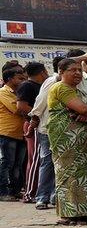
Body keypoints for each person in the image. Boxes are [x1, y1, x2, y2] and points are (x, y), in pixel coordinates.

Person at [46, 58, 87, 224]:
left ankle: (85, 212)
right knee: (69, 175)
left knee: (85, 173)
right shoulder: (62, 88)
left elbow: (86, 110)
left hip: (83, 143)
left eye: (79, 70)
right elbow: (84, 109)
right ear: (61, 72)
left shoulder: (78, 91)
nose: (77, 73)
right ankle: (69, 214)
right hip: (67, 142)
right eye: (73, 70)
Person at [28, 56, 63, 210]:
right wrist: (33, 123)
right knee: (48, 163)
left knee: (60, 163)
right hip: (47, 129)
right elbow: (40, 103)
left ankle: (54, 196)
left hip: (63, 130)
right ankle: (42, 197)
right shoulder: (52, 81)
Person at [17, 62, 48, 203]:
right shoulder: (27, 85)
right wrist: (37, 116)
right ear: (42, 71)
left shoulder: (40, 85)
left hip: (38, 124)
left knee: (39, 160)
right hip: (33, 125)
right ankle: (30, 193)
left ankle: (37, 191)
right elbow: (21, 106)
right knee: (35, 160)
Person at [0, 65, 27, 201]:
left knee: (18, 164)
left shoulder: (18, 92)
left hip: (20, 133)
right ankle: (3, 192)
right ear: (10, 79)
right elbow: (16, 109)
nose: (23, 80)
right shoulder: (3, 92)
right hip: (7, 133)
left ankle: (15, 191)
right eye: (20, 78)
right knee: (7, 163)